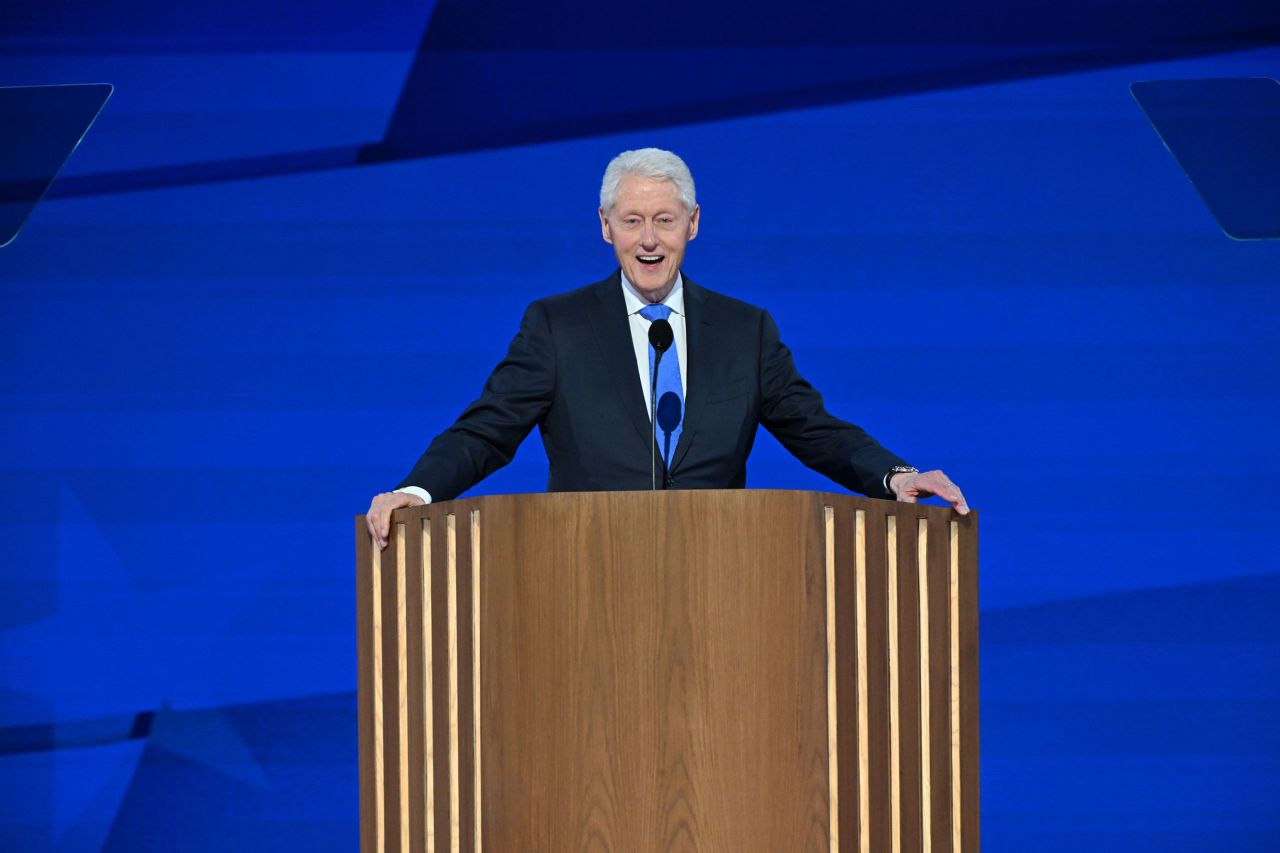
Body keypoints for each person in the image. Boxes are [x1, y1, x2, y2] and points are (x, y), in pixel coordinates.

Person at [366, 148, 966, 548]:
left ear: (693, 223)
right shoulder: (558, 326)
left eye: (664, 220)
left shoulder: (744, 330)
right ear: (605, 226)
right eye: (631, 221)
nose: (648, 240)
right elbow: (486, 431)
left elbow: (816, 430)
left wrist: (895, 475)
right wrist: (415, 491)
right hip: (584, 579)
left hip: (720, 579)